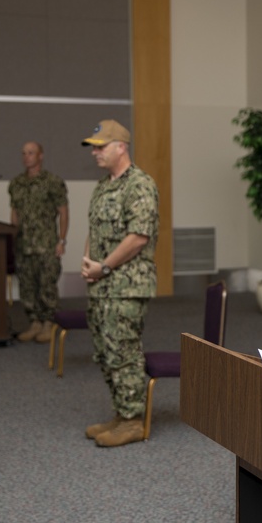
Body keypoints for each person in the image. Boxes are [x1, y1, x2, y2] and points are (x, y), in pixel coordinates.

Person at [79, 119, 159, 448]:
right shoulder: (104, 185)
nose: (95, 152)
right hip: (102, 284)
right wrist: (87, 262)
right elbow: (94, 229)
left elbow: (138, 237)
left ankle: (132, 421)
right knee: (105, 351)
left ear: (121, 147)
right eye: (93, 147)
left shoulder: (139, 184)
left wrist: (105, 268)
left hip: (126, 285)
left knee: (123, 351)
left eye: (101, 146)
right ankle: (120, 412)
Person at [8, 141, 69, 343]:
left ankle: (49, 324)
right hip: (24, 244)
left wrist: (61, 240)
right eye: (24, 153)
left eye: (31, 153)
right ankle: (34, 322)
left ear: (40, 156)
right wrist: (12, 236)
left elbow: (63, 212)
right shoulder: (16, 183)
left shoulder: (53, 181)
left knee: (46, 285)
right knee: (27, 285)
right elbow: (14, 213)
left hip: (46, 244)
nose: (27, 157)